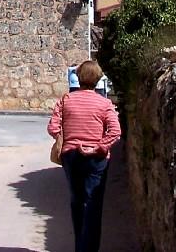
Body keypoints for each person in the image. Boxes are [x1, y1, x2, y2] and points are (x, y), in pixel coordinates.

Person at [47, 59, 121, 252]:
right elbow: (115, 131)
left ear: (78, 78)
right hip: (96, 159)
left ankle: (79, 245)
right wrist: (99, 147)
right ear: (97, 79)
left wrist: (61, 137)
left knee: (77, 201)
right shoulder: (105, 104)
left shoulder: (66, 100)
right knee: (93, 205)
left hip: (71, 156)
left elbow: (53, 126)